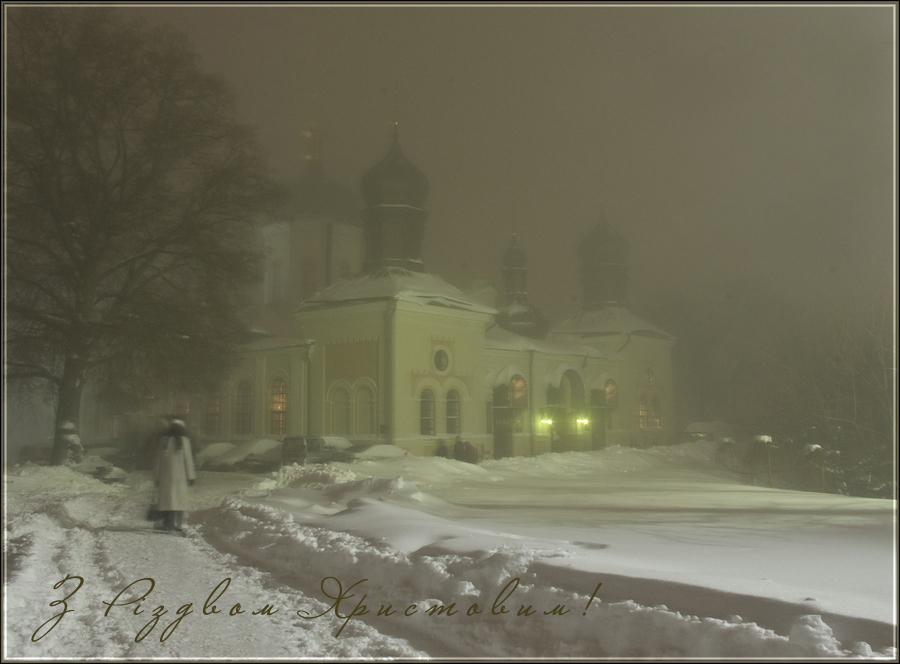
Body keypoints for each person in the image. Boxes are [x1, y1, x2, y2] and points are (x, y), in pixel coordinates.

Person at [155, 419, 196, 534]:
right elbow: (188, 460)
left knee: (168, 501)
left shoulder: (164, 441)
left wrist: (156, 477)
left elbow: (158, 460)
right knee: (179, 501)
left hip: (165, 476)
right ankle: (178, 524)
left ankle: (168, 523)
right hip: (180, 477)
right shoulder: (184, 441)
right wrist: (191, 476)